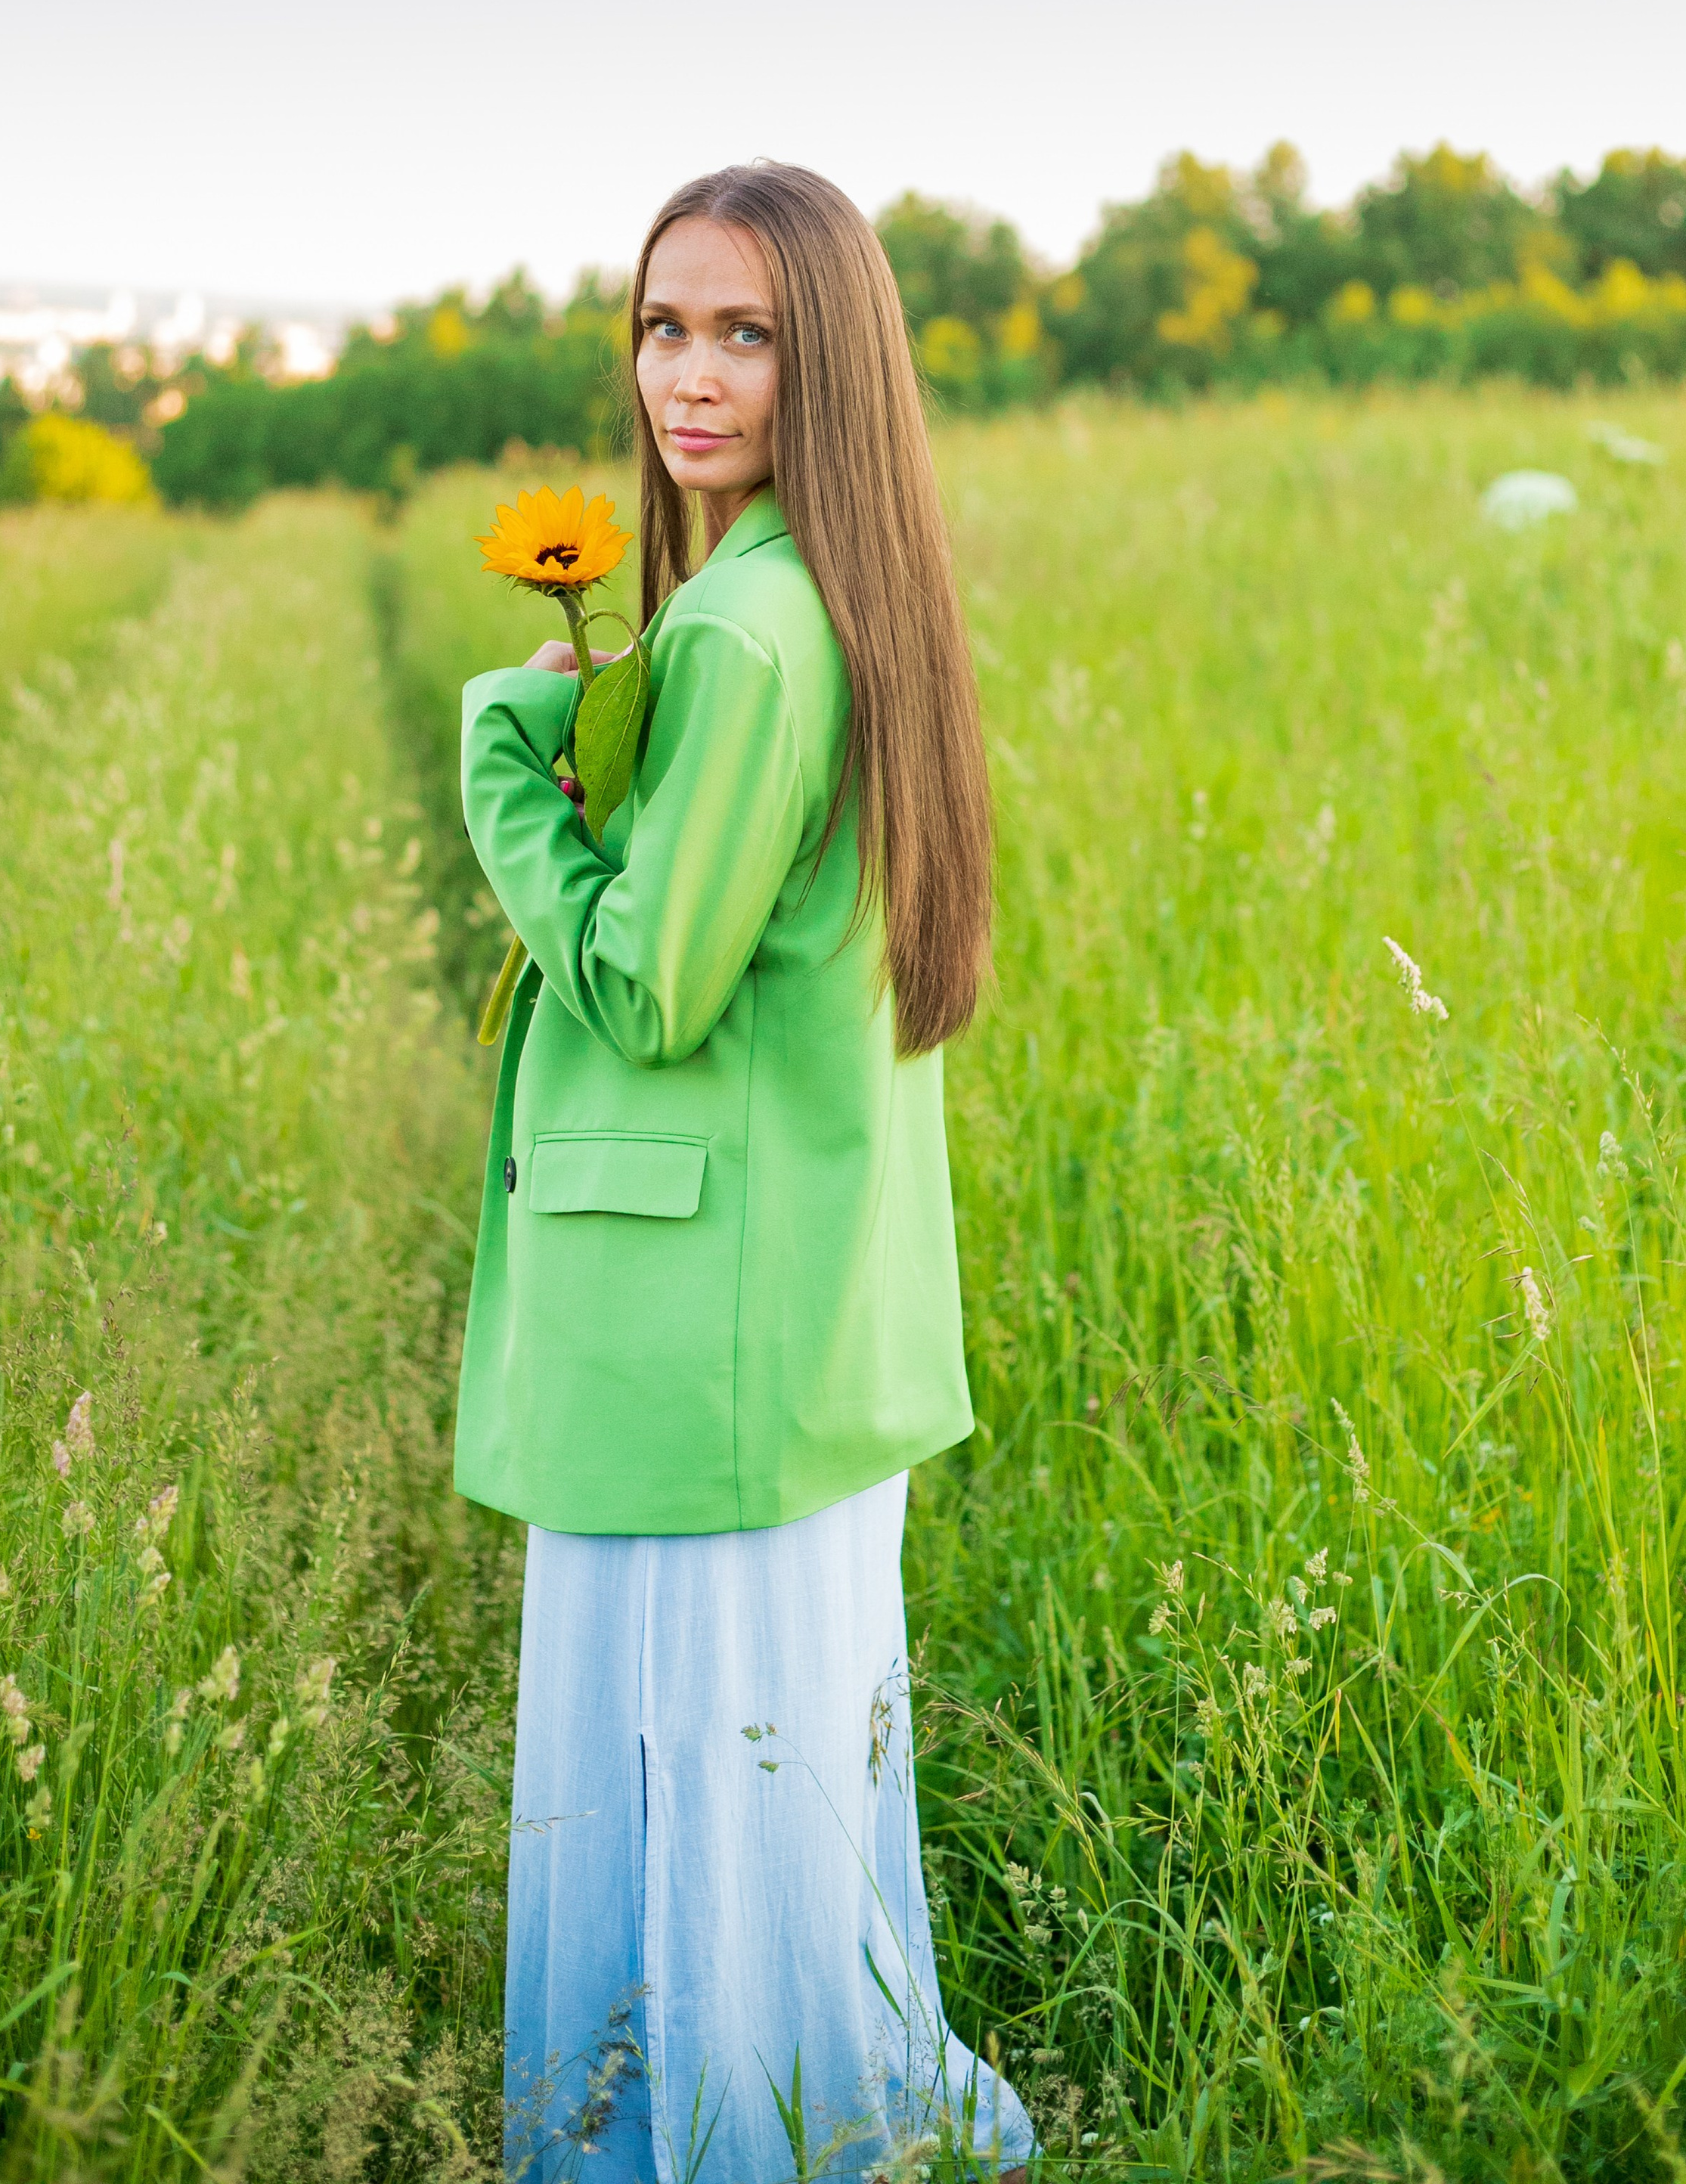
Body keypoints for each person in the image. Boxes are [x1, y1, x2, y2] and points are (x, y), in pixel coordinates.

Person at [454, 163, 1034, 2183]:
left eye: (746, 332)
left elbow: (645, 977)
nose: (686, 374)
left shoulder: (751, 637)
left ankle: (713, 2142)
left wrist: (504, 773)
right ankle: (799, 2112)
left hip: (693, 1332)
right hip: (792, 1309)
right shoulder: (817, 595)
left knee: (690, 1767)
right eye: (662, 323)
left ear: (828, 361)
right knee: (771, 1774)